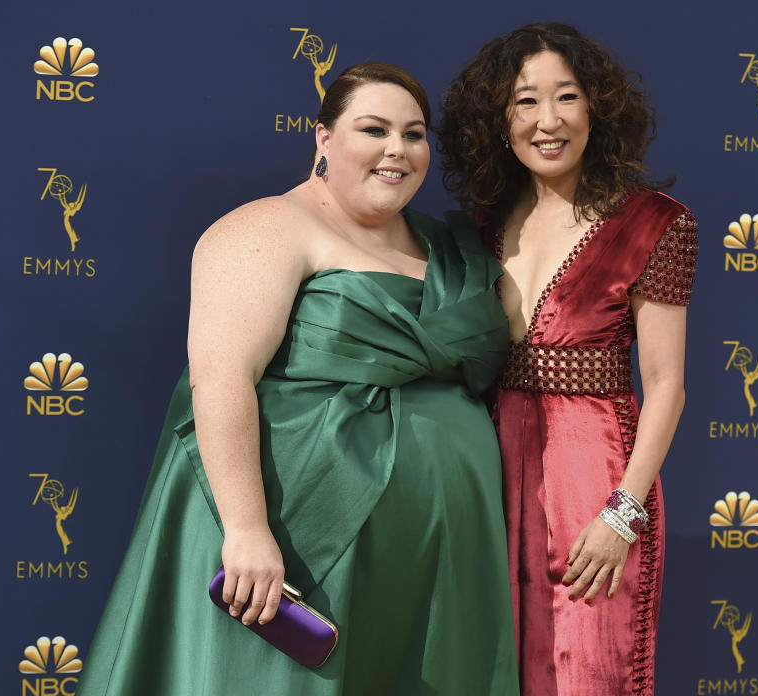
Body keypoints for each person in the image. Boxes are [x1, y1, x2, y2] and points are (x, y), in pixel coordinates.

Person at [78, 62, 519, 696]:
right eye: (374, 129)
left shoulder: (446, 245)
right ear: (323, 138)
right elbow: (221, 379)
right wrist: (248, 531)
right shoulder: (265, 228)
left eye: (415, 134)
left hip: (438, 553)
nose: (398, 149)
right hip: (303, 538)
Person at [438, 23, 698, 695]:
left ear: (597, 109)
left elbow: (667, 387)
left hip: (598, 483)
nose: (547, 121)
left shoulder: (655, 223)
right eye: (525, 101)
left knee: (590, 671)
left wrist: (623, 513)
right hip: (490, 477)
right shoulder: (486, 221)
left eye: (567, 97)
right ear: (498, 119)